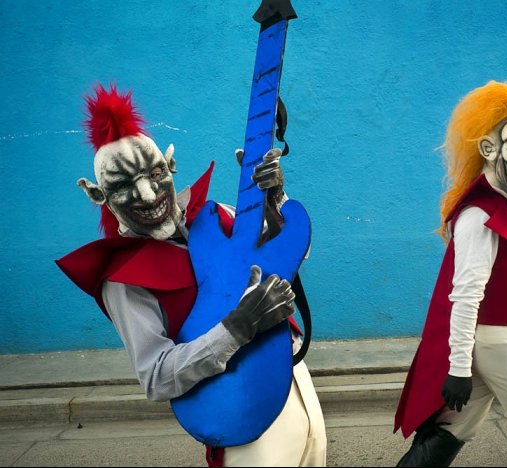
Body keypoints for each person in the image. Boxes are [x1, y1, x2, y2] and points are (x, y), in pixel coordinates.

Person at [56, 83, 326, 467]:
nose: (148, 195)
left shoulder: (215, 215)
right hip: (239, 411)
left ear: (171, 165)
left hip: (295, 379)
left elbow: (291, 257)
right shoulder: (122, 279)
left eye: (153, 173)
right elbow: (156, 377)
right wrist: (238, 327)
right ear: (99, 196)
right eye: (123, 186)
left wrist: (272, 200)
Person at [393, 81, 507, 467]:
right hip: (498, 342)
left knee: (452, 431)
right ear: (490, 149)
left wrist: (463, 365)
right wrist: (458, 368)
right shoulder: (480, 214)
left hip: (485, 343)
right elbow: (465, 295)